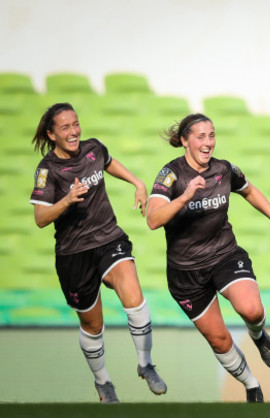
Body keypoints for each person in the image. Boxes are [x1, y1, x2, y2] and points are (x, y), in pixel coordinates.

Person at [146, 113, 270, 403]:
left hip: (224, 254)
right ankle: (251, 385)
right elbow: (152, 219)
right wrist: (184, 197)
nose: (208, 142)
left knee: (252, 310)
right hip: (186, 273)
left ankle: (259, 336)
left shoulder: (224, 169)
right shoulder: (170, 175)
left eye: (211, 135)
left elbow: (249, 191)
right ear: (185, 141)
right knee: (219, 339)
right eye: (201, 136)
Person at [29, 103, 167, 404]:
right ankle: (104, 383)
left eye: (75, 124)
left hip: (109, 239)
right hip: (74, 255)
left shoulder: (94, 148)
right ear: (52, 134)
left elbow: (108, 161)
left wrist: (137, 182)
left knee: (134, 298)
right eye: (65, 127)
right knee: (93, 325)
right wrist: (67, 200)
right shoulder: (47, 170)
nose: (73, 131)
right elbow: (40, 218)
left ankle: (145, 364)